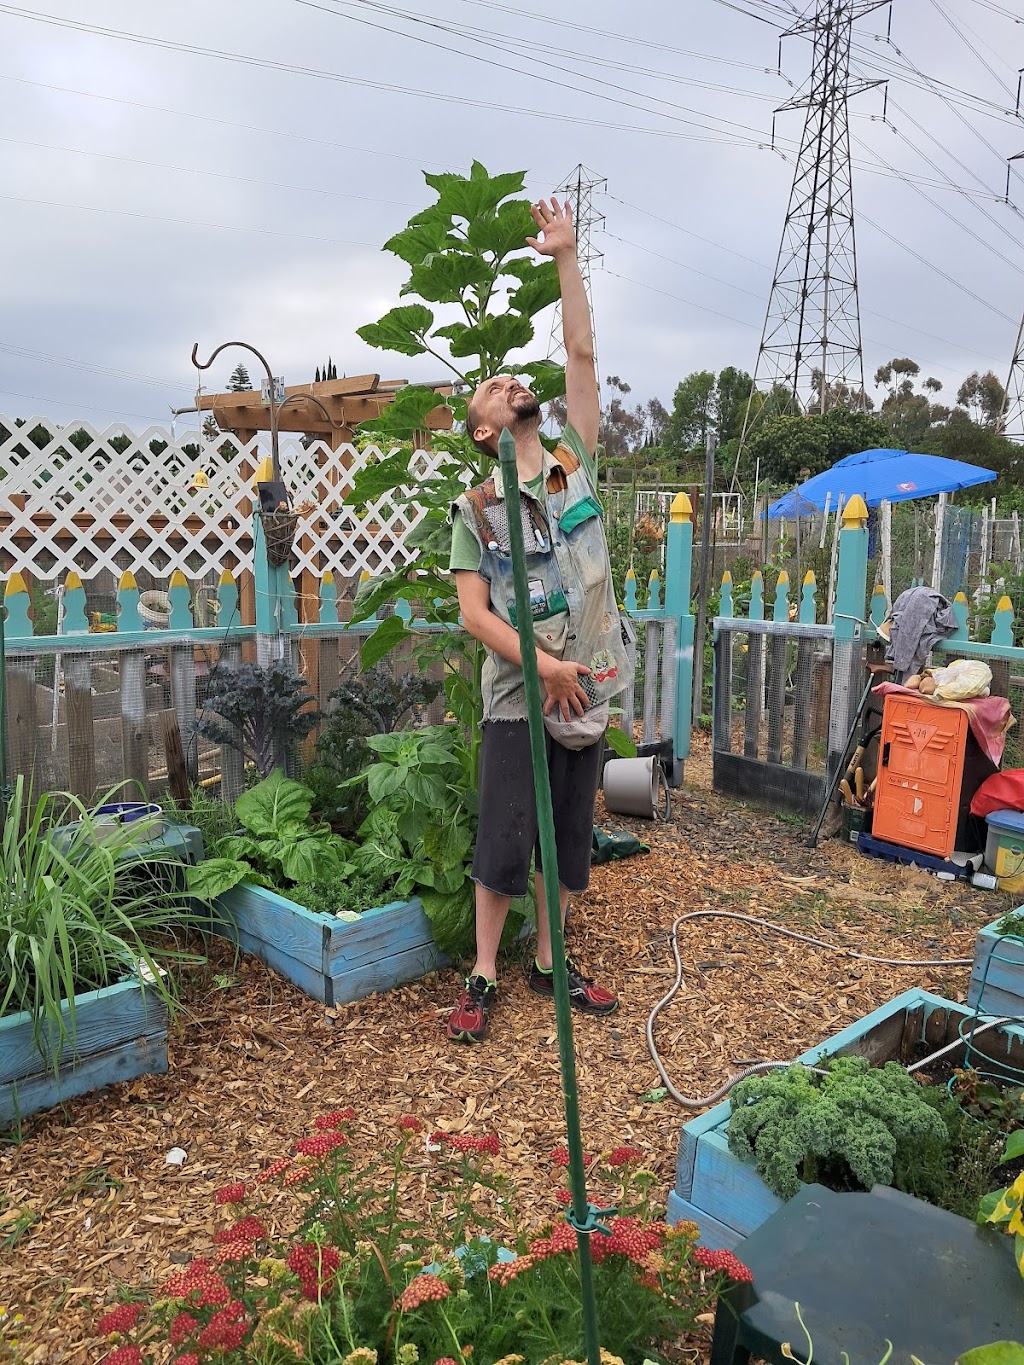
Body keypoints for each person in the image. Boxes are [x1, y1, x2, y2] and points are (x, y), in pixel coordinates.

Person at [446, 197, 630, 1044]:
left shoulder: (573, 464)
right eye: (496, 387)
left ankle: (549, 958)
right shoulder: (479, 507)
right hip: (522, 694)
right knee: (505, 836)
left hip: (585, 688)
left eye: (517, 379)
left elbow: (583, 355)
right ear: (485, 429)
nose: (514, 383)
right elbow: (473, 615)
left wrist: (565, 257)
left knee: (566, 831)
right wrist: (541, 664)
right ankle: (483, 972)